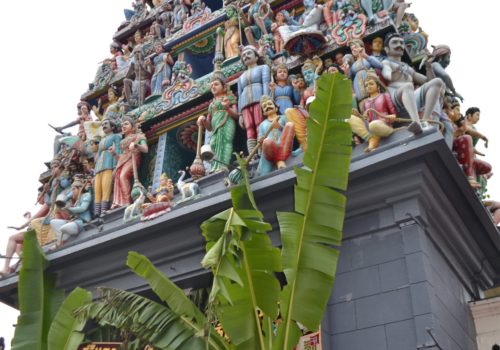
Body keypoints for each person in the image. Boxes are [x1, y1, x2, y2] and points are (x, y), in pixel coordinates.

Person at [382, 33, 444, 135]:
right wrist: (398, 71)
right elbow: (387, 76)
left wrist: (428, 67)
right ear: (387, 49)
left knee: (437, 82)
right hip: (395, 98)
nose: (399, 45)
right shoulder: (387, 63)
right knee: (407, 86)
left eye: (401, 43)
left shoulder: (407, 67)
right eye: (395, 42)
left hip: (410, 98)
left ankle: (425, 121)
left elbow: (426, 81)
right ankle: (416, 122)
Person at [197, 76, 238, 172]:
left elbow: (236, 115)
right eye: (211, 86)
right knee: (213, 143)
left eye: (216, 84)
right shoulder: (212, 105)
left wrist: (227, 107)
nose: (213, 87)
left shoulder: (229, 98)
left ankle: (224, 166)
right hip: (215, 128)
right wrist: (203, 120)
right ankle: (215, 167)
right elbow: (209, 127)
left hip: (227, 123)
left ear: (224, 87)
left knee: (226, 142)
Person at [348, 73, 397, 152]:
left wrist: (392, 117)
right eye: (366, 85)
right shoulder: (365, 102)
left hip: (384, 125)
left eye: (371, 84)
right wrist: (358, 115)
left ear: (377, 86)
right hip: (371, 128)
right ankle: (372, 139)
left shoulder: (384, 95)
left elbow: (393, 114)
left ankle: (374, 141)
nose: (368, 87)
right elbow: (367, 119)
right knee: (350, 118)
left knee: (374, 125)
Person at [237, 46, 271, 154]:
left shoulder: (263, 68)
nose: (246, 56)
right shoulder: (240, 77)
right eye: (243, 55)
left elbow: (266, 83)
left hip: (259, 100)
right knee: (249, 127)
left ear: (256, 57)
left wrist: (266, 100)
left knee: (259, 123)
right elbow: (239, 94)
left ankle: (262, 150)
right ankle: (252, 153)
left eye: (248, 53)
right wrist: (240, 114)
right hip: (245, 103)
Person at [111, 117, 148, 208]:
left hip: (133, 158)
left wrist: (136, 145)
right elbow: (122, 157)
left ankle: (127, 201)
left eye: (126, 124)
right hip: (125, 159)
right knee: (117, 176)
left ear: (133, 127)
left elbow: (145, 149)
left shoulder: (138, 136)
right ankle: (119, 202)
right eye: (122, 125)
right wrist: (114, 153)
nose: (123, 126)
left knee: (123, 176)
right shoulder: (123, 142)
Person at [257, 95, 295, 175]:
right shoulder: (262, 125)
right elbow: (260, 142)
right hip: (271, 150)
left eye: (270, 104)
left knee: (290, 125)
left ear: (276, 107)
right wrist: (260, 141)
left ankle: (279, 160)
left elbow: (292, 134)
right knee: (267, 142)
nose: (267, 106)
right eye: (264, 106)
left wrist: (280, 127)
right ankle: (280, 161)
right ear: (263, 112)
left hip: (284, 147)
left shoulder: (283, 118)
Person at [50, 178, 92, 245]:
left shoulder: (86, 195)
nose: (72, 191)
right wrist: (64, 206)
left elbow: (83, 208)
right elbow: (68, 206)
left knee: (64, 227)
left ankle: (66, 240)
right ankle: (62, 241)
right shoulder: (76, 202)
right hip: (74, 221)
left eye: (73, 189)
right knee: (54, 222)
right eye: (72, 189)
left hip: (84, 221)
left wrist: (70, 209)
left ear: (80, 188)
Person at [94, 119, 122, 216]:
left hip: (109, 165)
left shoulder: (116, 136)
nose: (104, 125)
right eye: (103, 124)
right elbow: (98, 154)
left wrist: (115, 166)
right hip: (99, 167)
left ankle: (103, 210)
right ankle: (96, 212)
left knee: (106, 188)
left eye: (106, 123)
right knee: (97, 189)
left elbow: (118, 150)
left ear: (113, 127)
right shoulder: (102, 140)